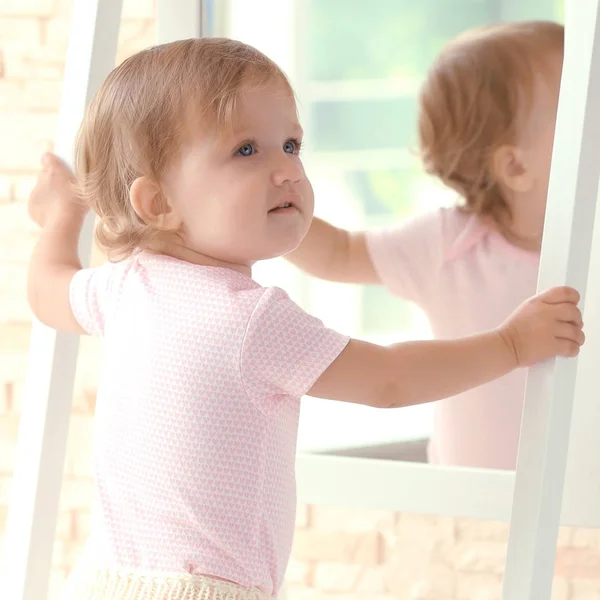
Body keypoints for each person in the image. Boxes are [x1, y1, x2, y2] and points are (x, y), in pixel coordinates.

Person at [27, 36, 581, 600]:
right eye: (248, 150)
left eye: (291, 144)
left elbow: (47, 292)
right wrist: (511, 345)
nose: (288, 169)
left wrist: (61, 214)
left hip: (102, 578)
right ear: (157, 202)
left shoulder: (126, 286)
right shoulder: (252, 321)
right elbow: (389, 381)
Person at [287, 21, 565, 470]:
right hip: (470, 495)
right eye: (580, 109)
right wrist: (273, 212)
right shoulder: (447, 243)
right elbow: (338, 253)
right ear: (515, 166)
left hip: (577, 501)